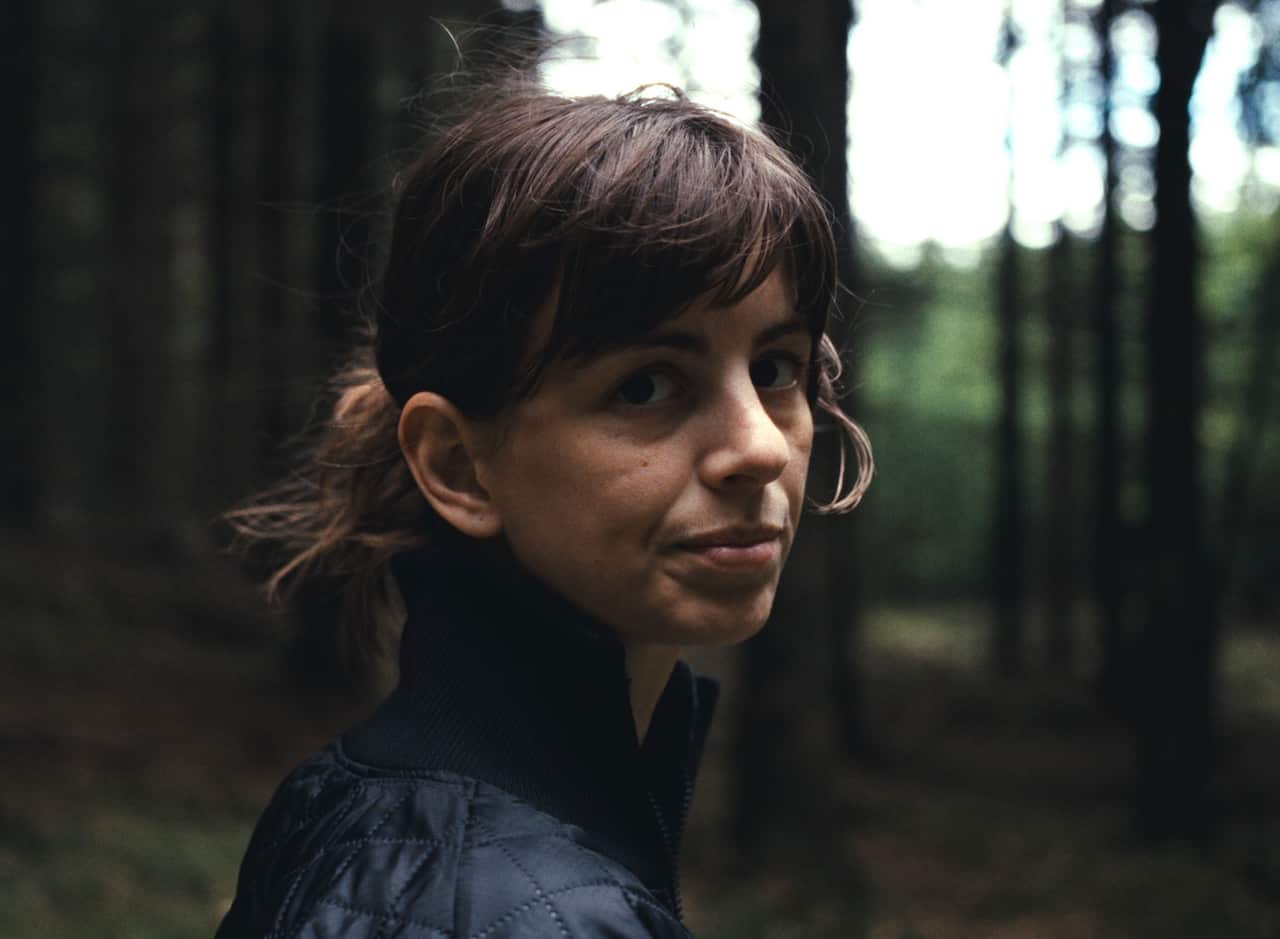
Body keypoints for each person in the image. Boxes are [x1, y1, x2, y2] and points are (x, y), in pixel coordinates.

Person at [215, 75, 872, 938]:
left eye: (776, 369)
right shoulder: (539, 911)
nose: (760, 447)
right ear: (458, 465)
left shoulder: (343, 793)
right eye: (647, 385)